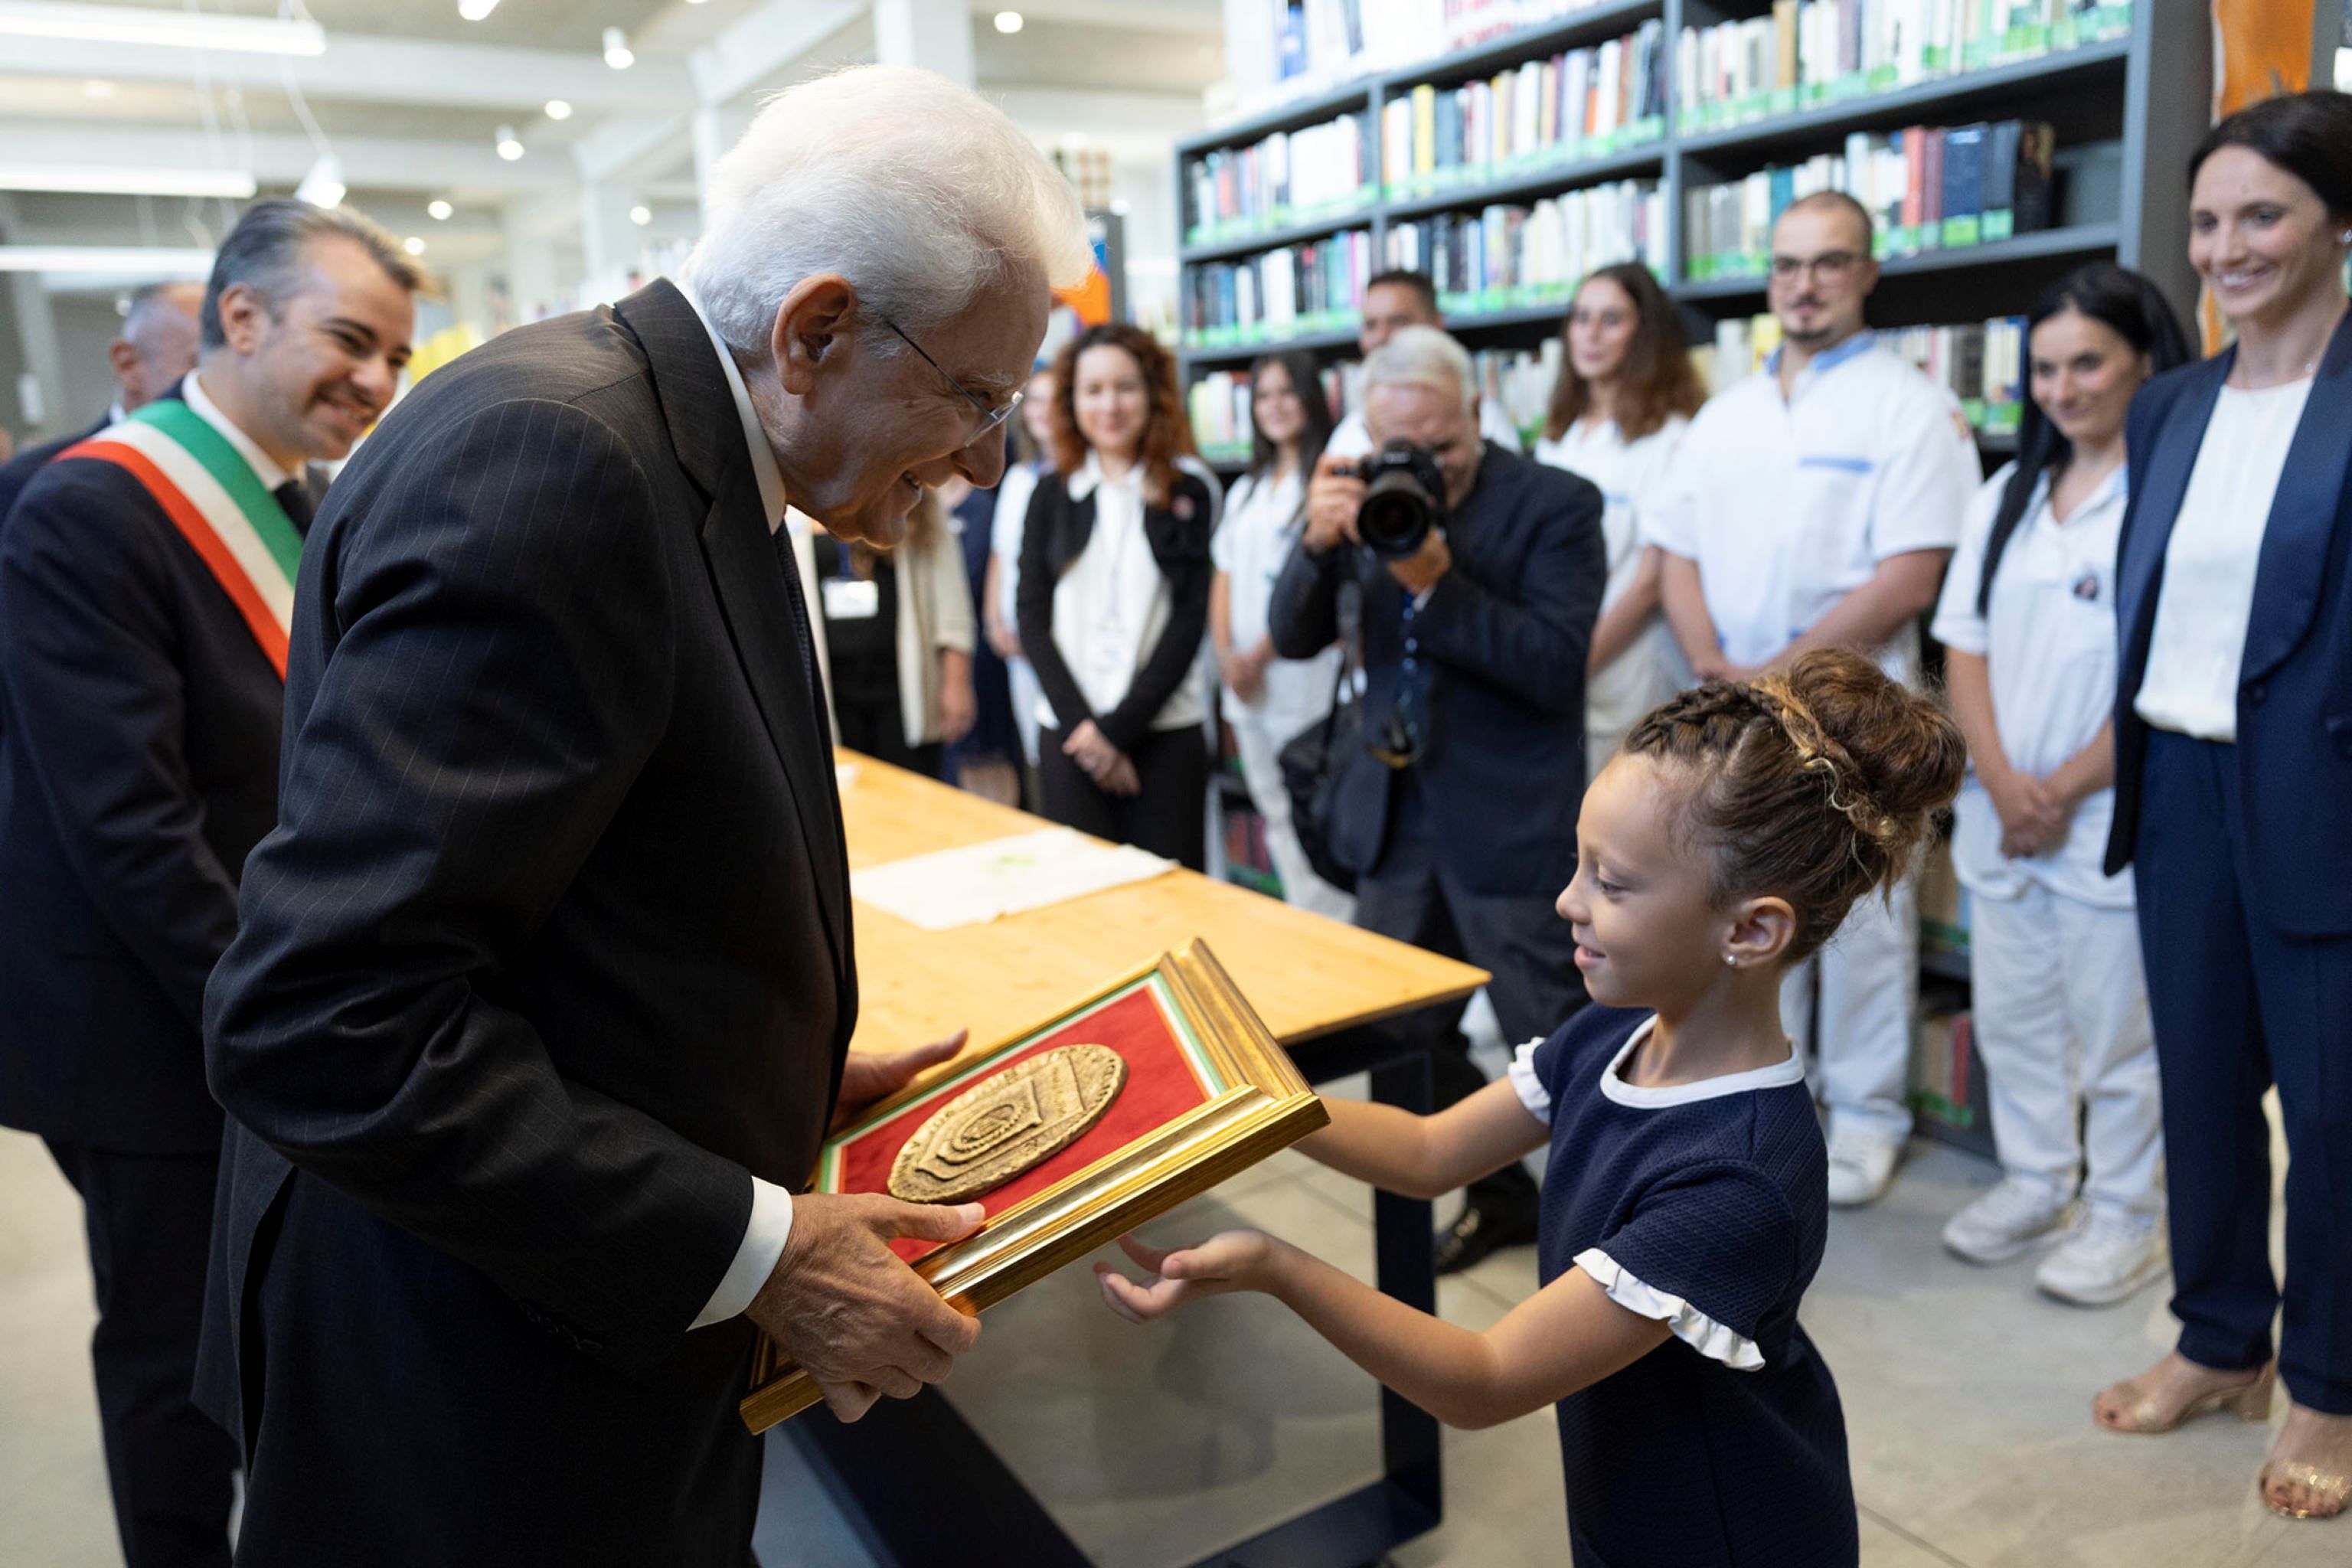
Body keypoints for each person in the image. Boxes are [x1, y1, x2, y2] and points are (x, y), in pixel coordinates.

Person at [195, 67, 1092, 1562]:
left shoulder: (672, 437)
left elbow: (562, 892)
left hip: (549, 1338)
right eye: (978, 395)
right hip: (469, 1392)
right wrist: (757, 1249)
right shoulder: (559, 467)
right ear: (813, 331)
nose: (990, 456)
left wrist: (767, 1054)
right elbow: (323, 1015)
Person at [1099, 650, 1967, 1568]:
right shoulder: (1615, 1033)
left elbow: (1486, 1379)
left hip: (1722, 1529)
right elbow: (1433, 1151)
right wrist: (1249, 1096)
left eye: (1613, 883)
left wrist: (1278, 1264)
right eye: (1579, 865)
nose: (1568, 902)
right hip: (1629, 1486)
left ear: (1750, 930)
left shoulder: (1740, 1178)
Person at [0, 200, 420, 1568]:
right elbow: (132, 832)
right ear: (240, 318)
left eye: (393, 356)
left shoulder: (297, 493)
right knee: (174, 1356)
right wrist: (290, 1012)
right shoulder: (88, 505)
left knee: (266, 1325)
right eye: (349, 339)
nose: (373, 380)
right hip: (152, 1031)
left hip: (256, 997)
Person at [2093, 90, 2352, 1525]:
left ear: (2336, 221)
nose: (2226, 245)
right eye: (2206, 220)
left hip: (2327, 788)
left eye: (2262, 213)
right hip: (2179, 779)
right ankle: (2216, 1336)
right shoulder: (2168, 402)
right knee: (2194, 1083)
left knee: (2331, 1114)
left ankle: (2326, 1375)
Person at [1648, 189, 1977, 1208]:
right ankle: (1768, 1096)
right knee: (1750, 911)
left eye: (1829, 263)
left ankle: (1870, 1114)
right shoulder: (1725, 414)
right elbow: (1678, 553)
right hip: (1737, 709)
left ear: (1868, 273)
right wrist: (1713, 661)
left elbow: (1910, 574)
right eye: (1787, 265)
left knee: (1869, 920)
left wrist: (1774, 672)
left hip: (1857, 712)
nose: (1805, 283)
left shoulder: (1908, 406)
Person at [1275, 325, 1605, 1273]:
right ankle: (1499, 1193)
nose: (1425, 465)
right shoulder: (1374, 494)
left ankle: (1597, 1239)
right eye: (1400, 446)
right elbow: (1290, 634)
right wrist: (1314, 539)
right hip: (1393, 815)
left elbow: (1553, 665)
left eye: (1443, 447)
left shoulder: (1557, 504)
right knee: (1400, 1038)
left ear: (1476, 411)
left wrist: (1435, 582)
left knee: (1558, 1042)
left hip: (1510, 821)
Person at [1928, 263, 2191, 1305]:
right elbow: (1966, 650)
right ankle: (2039, 1178)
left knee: (2122, 1030)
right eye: (2044, 368)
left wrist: (2063, 788)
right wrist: (1998, 774)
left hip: (2104, 816)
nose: (2063, 388)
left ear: (2144, 362)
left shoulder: (2166, 495)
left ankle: (2128, 1213)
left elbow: (2167, 668)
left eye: (2088, 362)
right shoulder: (2008, 497)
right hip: (2003, 812)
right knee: (2016, 1015)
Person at [1017, 322, 1216, 869]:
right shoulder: (1050, 494)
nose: (1110, 405)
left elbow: (1188, 621)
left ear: (1153, 393)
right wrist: (1088, 734)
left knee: (1170, 904)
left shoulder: (1187, 491)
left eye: (1126, 387)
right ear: (1072, 400)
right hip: (1068, 734)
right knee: (1083, 912)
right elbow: (1030, 617)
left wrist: (1117, 732)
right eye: (1094, 390)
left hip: (1164, 734)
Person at [1533, 262, 1704, 782]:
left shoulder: (1671, 438)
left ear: (1645, 334)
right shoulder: (1559, 436)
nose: (1590, 334)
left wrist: (1572, 663)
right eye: (1582, 317)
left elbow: (1651, 582)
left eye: (1611, 319)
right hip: (1555, 662)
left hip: (1625, 667)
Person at [1209, 349, 1352, 920]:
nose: (1274, 407)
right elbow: (1224, 577)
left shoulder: (1329, 482)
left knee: (1314, 818)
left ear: (1311, 399)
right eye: (1263, 396)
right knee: (1273, 814)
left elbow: (1314, 592)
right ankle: (1305, 919)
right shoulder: (1248, 488)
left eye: (1286, 392)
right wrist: (1227, 656)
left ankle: (1335, 931)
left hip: (1300, 684)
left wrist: (1260, 656)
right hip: (1245, 688)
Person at [786, 487, 978, 779]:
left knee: (912, 791)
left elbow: (952, 599)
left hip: (902, 685)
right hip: (829, 687)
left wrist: (957, 680)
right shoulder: (792, 494)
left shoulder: (912, 490)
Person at [0, 281, 204, 522]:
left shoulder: (241, 477)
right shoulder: (28, 483)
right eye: (200, 364)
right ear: (127, 365)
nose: (219, 386)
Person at [1326, 269, 1527, 458]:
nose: (1382, 337)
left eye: (1398, 322)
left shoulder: (1485, 422)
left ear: (1436, 323)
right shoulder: (1348, 434)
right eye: (1371, 325)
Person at [985, 369, 1058, 792]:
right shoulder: (1017, 478)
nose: (1042, 411)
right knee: (1035, 754)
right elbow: (1001, 555)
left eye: (1052, 400)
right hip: (1017, 644)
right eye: (1034, 400)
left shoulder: (1073, 477)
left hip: (1054, 640)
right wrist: (996, 621)